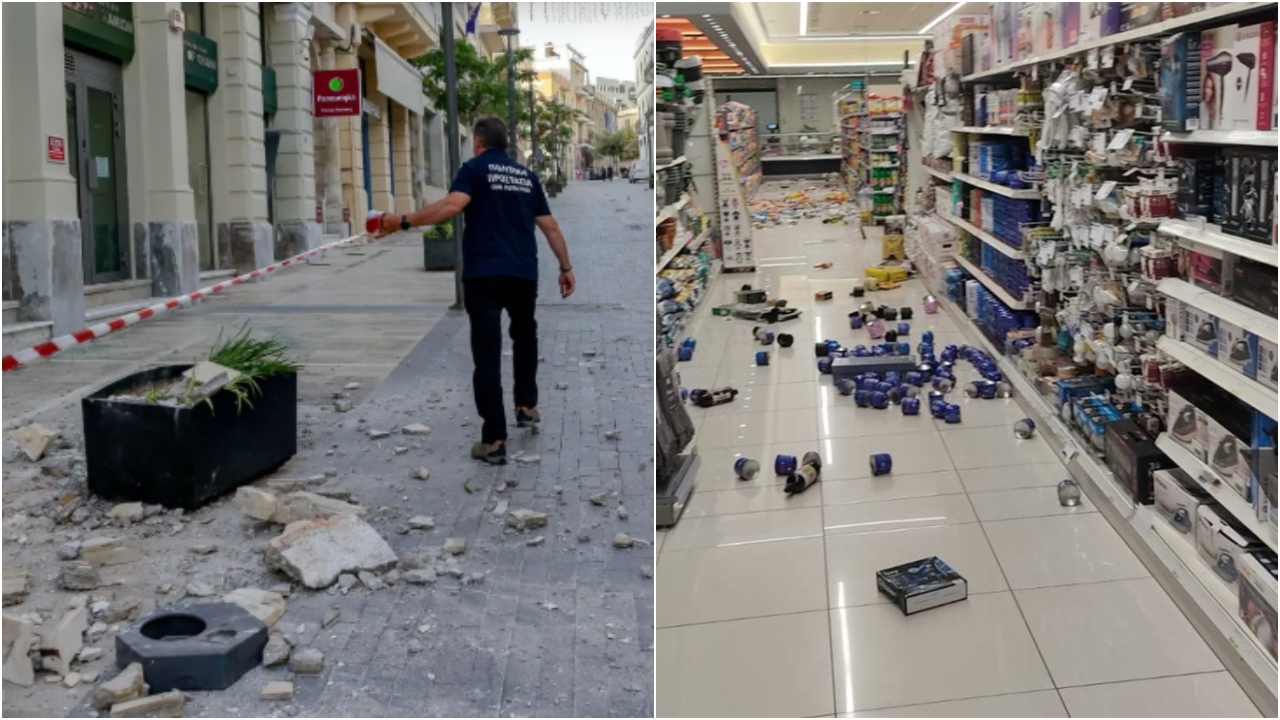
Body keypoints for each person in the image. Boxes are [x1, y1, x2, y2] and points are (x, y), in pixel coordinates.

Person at [373, 116, 575, 465]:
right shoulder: (527, 177)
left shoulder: (474, 169)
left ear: (478, 143)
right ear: (505, 146)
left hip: (484, 274)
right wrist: (566, 267)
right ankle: (526, 406)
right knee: (525, 337)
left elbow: (452, 206)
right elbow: (550, 226)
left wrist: (401, 221)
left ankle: (494, 439)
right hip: (523, 273)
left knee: (487, 355)